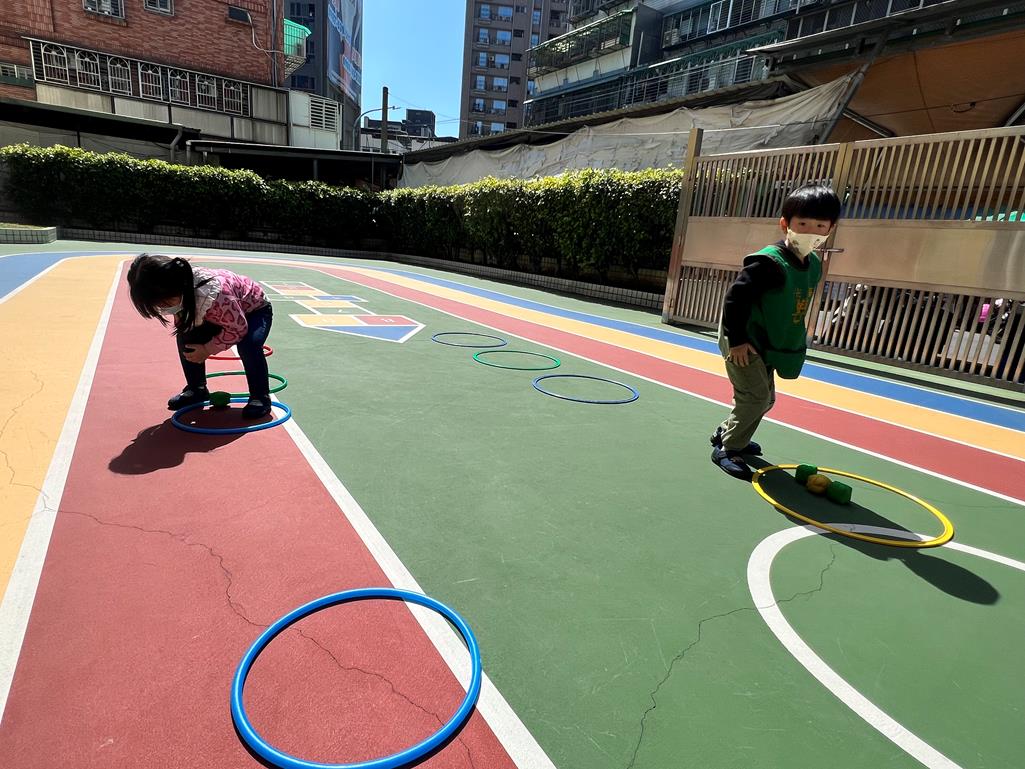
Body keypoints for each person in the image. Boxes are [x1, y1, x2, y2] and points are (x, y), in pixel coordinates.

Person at [710, 184, 842, 481]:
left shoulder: (812, 263)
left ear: (830, 229)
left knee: (766, 398)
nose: (810, 232)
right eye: (802, 224)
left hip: (767, 340)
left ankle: (730, 433)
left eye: (819, 226)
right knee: (755, 397)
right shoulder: (769, 262)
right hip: (743, 339)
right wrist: (738, 341)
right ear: (786, 224)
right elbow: (735, 299)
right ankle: (728, 448)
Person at [127, 254, 274, 418]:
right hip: (220, 314)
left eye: (165, 303)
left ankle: (260, 397)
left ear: (179, 288)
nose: (163, 308)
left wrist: (207, 349)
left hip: (255, 310)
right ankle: (196, 389)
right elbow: (186, 323)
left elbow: (238, 328)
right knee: (185, 335)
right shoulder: (177, 287)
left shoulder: (217, 295)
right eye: (158, 305)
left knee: (249, 346)